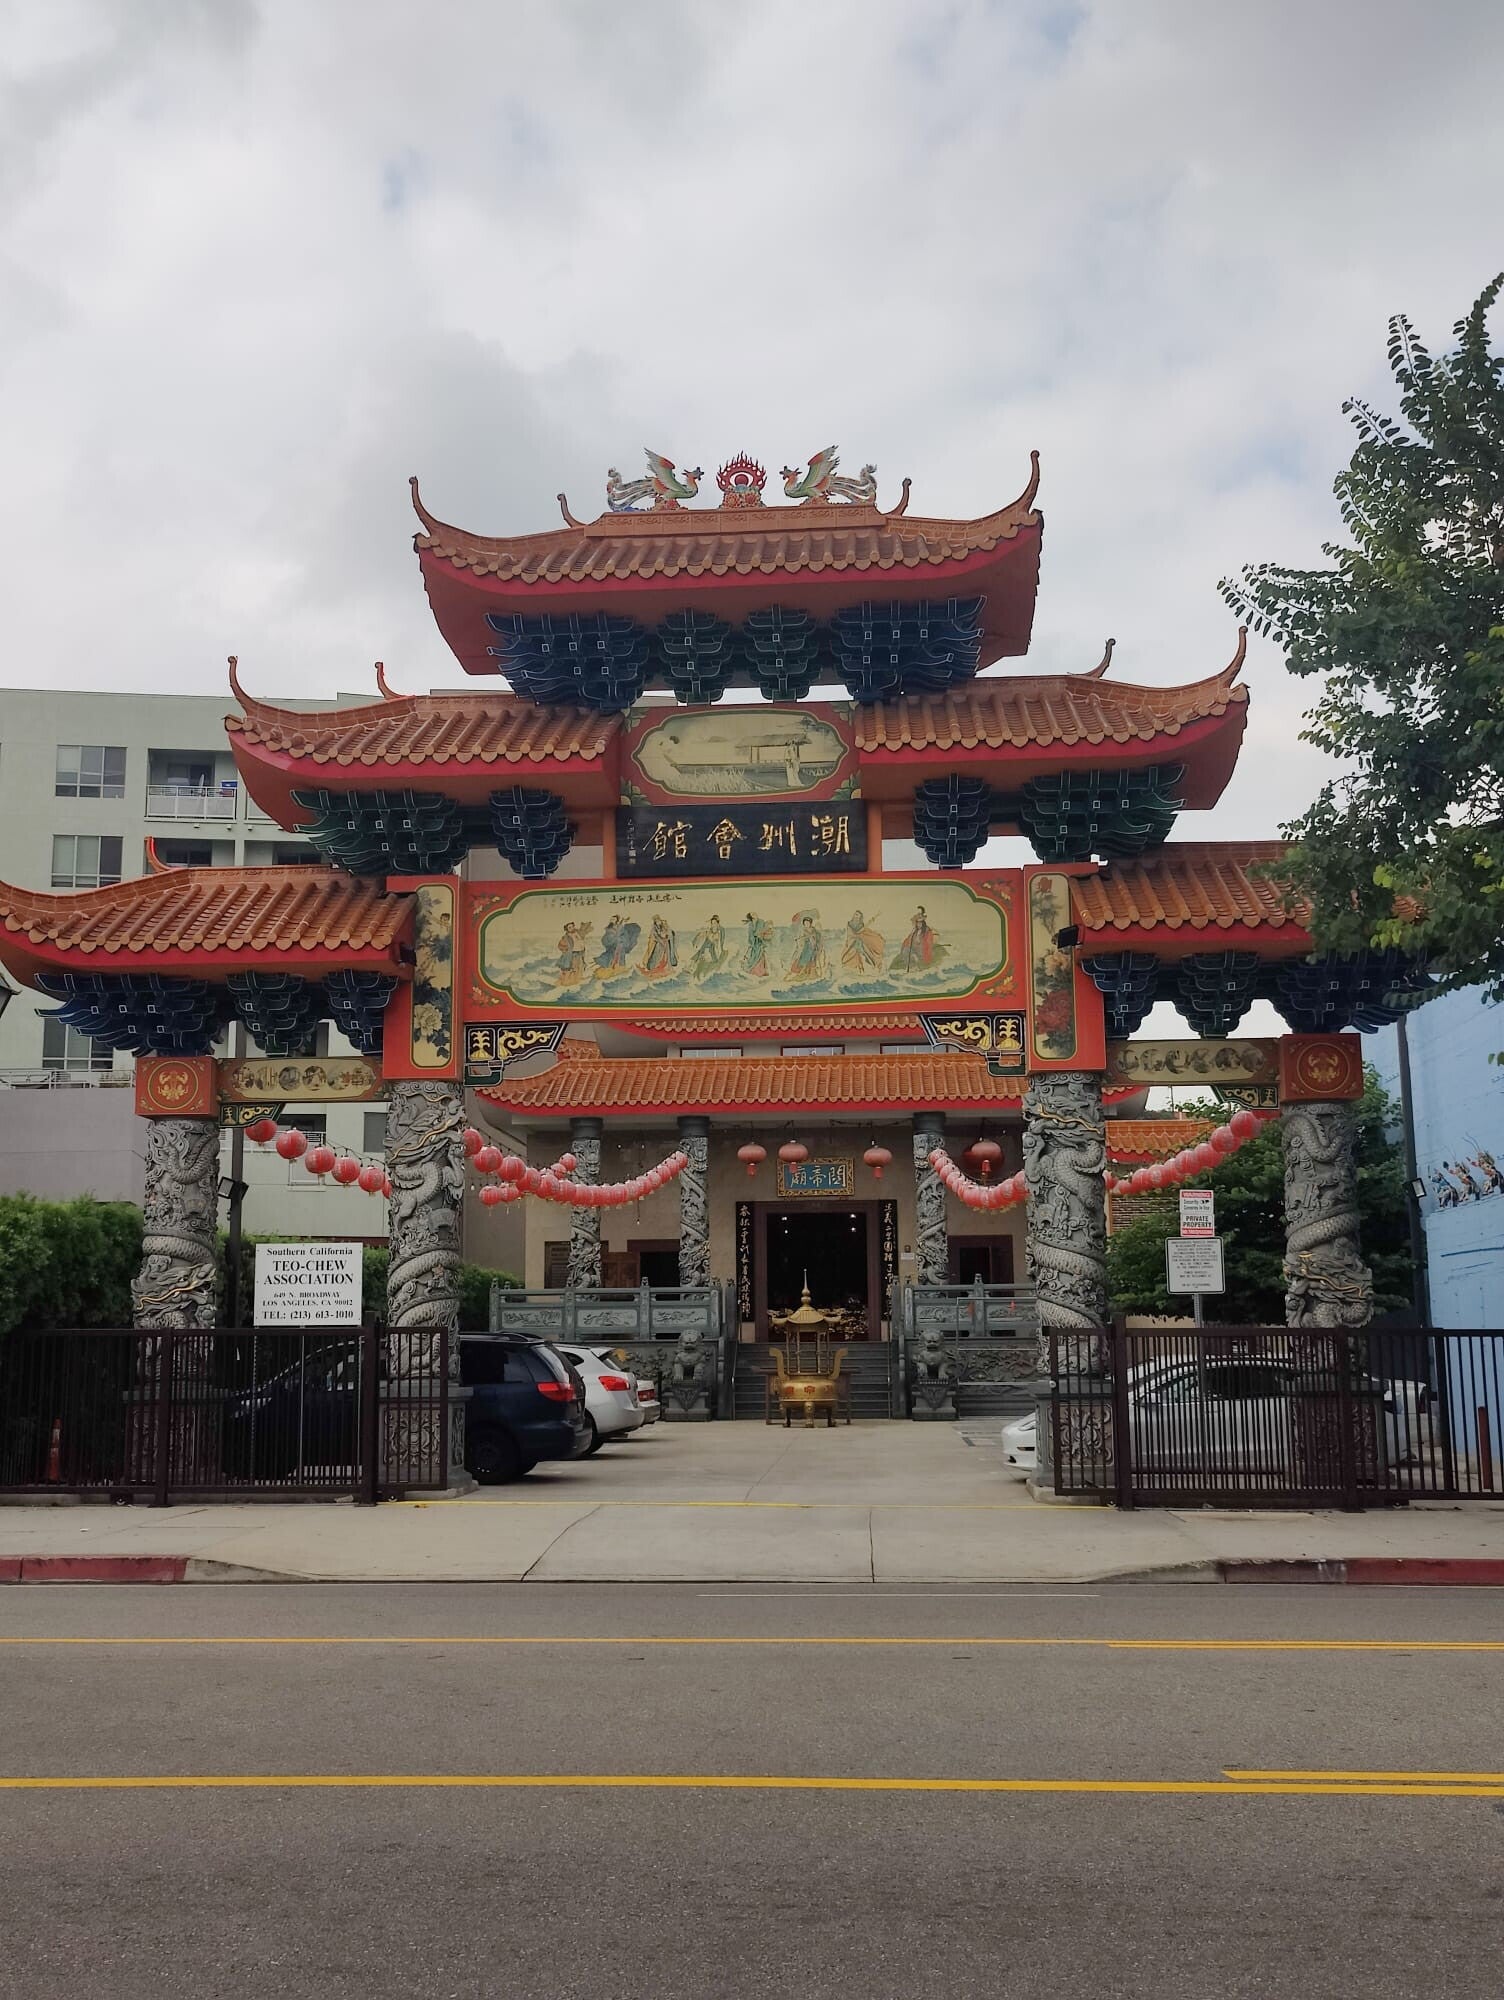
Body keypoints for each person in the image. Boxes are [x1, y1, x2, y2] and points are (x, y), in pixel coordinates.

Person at [893, 905, 938, 972]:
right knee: (905, 950)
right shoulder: (914, 931)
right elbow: (908, 940)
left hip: (922, 951)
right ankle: (913, 966)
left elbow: (928, 944)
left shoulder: (927, 931)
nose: (918, 925)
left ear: (923, 923)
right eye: (917, 923)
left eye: (920, 923)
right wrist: (905, 946)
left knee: (914, 955)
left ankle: (916, 964)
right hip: (914, 950)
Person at [787, 913, 828, 983]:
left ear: (810, 923)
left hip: (813, 948)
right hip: (806, 948)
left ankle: (810, 973)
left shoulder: (814, 931)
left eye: (808, 923)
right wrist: (801, 939)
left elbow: (818, 938)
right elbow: (801, 939)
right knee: (803, 959)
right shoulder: (803, 931)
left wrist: (814, 940)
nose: (806, 924)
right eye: (805, 923)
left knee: (811, 959)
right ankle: (802, 972)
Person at [841, 909, 884, 974]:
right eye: (855, 914)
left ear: (860, 918)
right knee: (851, 955)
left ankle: (873, 965)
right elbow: (850, 934)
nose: (855, 916)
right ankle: (860, 968)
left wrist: (876, 916)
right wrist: (851, 940)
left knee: (865, 951)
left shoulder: (860, 925)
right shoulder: (849, 924)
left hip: (857, 942)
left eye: (857, 915)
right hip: (851, 942)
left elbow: (867, 924)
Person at [638, 914, 677, 980]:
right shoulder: (654, 928)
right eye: (656, 921)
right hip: (659, 944)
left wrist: (666, 936)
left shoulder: (664, 925)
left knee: (667, 956)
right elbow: (654, 936)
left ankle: (667, 968)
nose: (657, 922)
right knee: (656, 956)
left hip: (666, 943)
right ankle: (654, 969)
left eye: (658, 920)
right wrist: (661, 940)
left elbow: (670, 932)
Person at [689, 914, 726, 981]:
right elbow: (704, 935)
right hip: (707, 945)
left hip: (713, 947)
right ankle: (692, 967)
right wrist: (696, 940)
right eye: (712, 923)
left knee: (708, 955)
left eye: (714, 923)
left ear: (718, 923)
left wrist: (720, 948)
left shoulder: (720, 930)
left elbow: (720, 941)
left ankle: (700, 969)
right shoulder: (711, 930)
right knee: (700, 953)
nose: (713, 925)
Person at [555, 922, 588, 986]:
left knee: (580, 967)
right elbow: (560, 946)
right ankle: (568, 981)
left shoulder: (577, 934)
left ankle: (577, 979)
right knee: (572, 968)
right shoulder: (566, 937)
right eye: (570, 927)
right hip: (572, 954)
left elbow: (581, 942)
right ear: (567, 929)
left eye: (572, 926)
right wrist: (565, 951)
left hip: (580, 953)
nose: (572, 928)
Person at [742, 911, 773, 978]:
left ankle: (761, 972)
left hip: (760, 942)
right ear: (752, 917)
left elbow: (765, 929)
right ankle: (755, 972)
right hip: (754, 943)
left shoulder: (761, 921)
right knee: (754, 957)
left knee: (760, 956)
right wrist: (752, 941)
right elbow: (750, 935)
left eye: (754, 913)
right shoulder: (751, 924)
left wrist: (761, 935)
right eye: (753, 914)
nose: (755, 914)